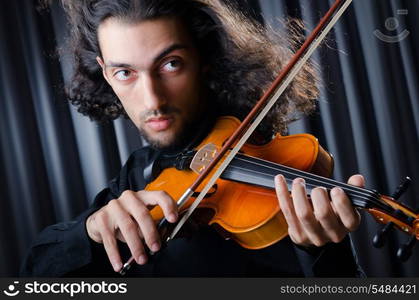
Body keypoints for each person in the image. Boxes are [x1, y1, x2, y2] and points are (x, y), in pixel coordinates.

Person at [21, 0, 364, 277]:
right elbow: (34, 273)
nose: (153, 100)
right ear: (106, 72)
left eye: (170, 64)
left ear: (203, 59)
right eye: (125, 73)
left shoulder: (273, 169)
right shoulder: (139, 173)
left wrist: (327, 255)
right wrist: (90, 232)